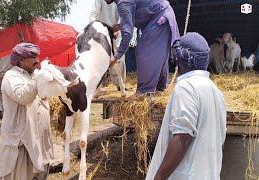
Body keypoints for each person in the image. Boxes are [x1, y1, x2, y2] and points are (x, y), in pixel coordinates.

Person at [145, 32, 227, 180]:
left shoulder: (186, 87)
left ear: (180, 60)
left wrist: (159, 177)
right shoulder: (215, 91)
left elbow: (182, 137)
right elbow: (220, 137)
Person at [0, 43, 53, 180]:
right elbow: (23, 97)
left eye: (37, 56)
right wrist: (39, 76)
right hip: (21, 142)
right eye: (32, 57)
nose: (37, 60)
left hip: (39, 140)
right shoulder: (11, 76)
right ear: (20, 60)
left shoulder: (33, 74)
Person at [105, 0, 180, 98]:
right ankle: (160, 87)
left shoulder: (123, 2)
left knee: (144, 51)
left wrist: (116, 56)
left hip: (159, 17)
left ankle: (144, 91)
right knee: (159, 54)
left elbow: (127, 33)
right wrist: (120, 26)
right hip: (161, 14)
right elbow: (135, 15)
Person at [90, 0, 127, 96]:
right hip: (101, 32)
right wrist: (94, 28)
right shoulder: (99, 1)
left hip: (115, 32)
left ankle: (120, 84)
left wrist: (118, 28)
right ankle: (97, 87)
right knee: (99, 60)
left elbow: (122, 15)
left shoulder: (120, 2)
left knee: (119, 59)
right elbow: (94, 13)